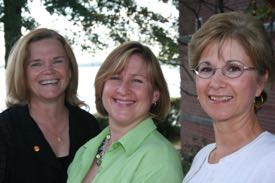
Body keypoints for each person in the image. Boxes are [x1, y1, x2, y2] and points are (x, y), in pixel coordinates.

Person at [67, 41, 183, 183]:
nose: (123, 89)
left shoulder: (159, 160)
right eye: (115, 78)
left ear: (155, 95)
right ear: (101, 86)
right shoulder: (87, 150)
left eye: (137, 81)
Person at [182, 11, 275, 183]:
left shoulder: (270, 163)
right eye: (206, 69)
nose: (216, 83)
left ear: (260, 82)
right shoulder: (203, 157)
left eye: (233, 68)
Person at [0, 28, 100, 183]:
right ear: (22, 74)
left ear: (70, 69)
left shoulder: (88, 125)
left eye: (57, 61)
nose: (48, 71)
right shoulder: (5, 129)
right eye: (36, 64)